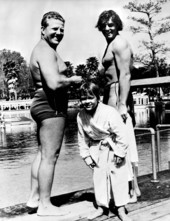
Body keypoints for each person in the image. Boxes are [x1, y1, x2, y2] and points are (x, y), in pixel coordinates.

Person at [26, 11, 82, 216]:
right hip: (51, 106)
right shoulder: (45, 50)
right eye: (54, 29)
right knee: (51, 156)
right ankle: (45, 205)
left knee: (42, 154)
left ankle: (34, 199)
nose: (58, 33)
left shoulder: (44, 49)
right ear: (42, 30)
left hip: (42, 103)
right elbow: (53, 82)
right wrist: (73, 80)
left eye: (61, 29)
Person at [95, 10, 141, 202]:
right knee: (123, 141)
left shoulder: (119, 43)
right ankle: (133, 189)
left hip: (117, 98)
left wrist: (122, 104)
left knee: (122, 143)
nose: (107, 28)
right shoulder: (111, 44)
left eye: (111, 24)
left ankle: (131, 191)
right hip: (111, 96)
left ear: (118, 25)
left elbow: (125, 75)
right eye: (104, 25)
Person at [77, 82, 132, 221]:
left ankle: (121, 209)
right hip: (96, 150)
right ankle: (102, 207)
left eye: (90, 97)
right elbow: (82, 139)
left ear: (98, 97)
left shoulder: (109, 112)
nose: (87, 101)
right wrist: (86, 156)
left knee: (118, 177)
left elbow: (122, 134)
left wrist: (120, 153)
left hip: (113, 147)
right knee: (99, 179)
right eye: (83, 98)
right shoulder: (80, 116)